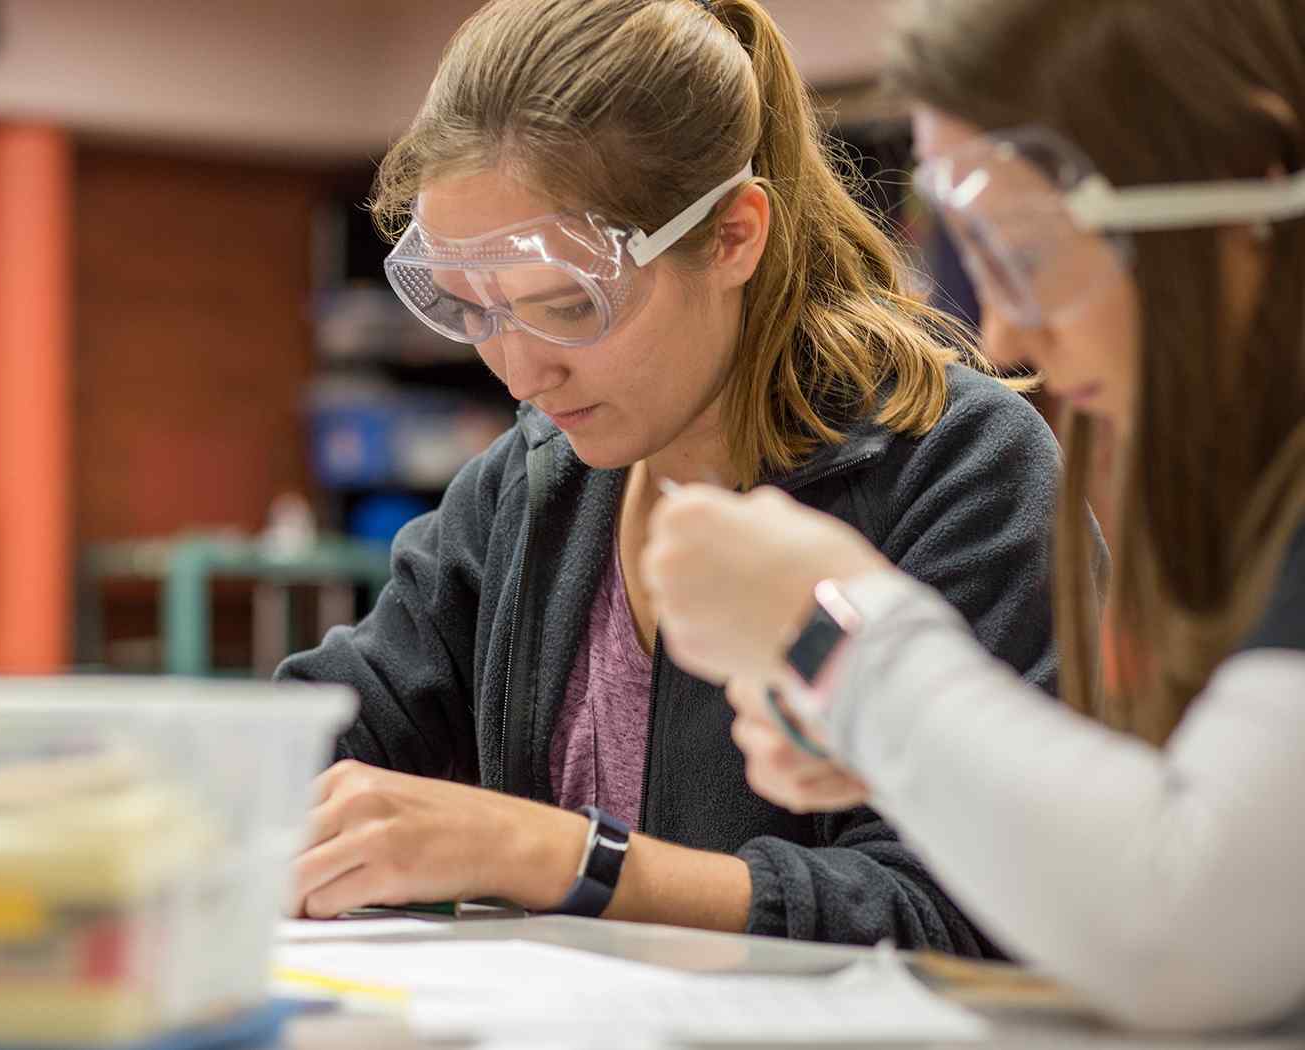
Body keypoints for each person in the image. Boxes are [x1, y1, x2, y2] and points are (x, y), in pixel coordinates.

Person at [276, 0, 1098, 950]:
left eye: (567, 306)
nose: (520, 370)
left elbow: (970, 913)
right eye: (474, 310)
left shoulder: (960, 468)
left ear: (735, 235)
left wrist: (566, 860)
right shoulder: (529, 487)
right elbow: (325, 730)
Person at [642, 0, 1305, 1029]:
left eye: (1029, 248)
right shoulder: (1221, 480)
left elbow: (1183, 934)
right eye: (970, 256)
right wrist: (911, 756)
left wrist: (837, 632)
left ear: (1252, 182)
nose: (1000, 333)